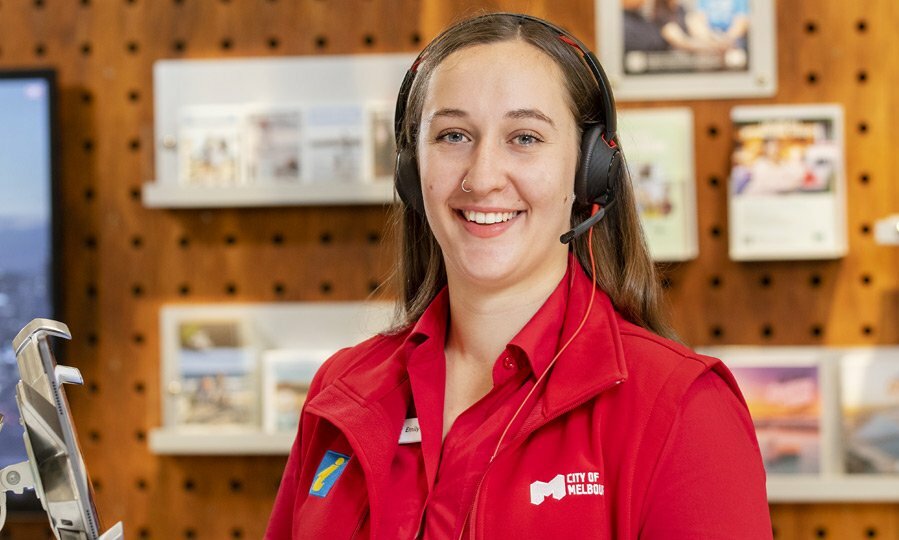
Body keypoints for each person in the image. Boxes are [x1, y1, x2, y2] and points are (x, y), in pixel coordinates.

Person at [266, 12, 772, 539]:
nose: (483, 177)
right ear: (411, 171)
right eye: (454, 135)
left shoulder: (681, 409)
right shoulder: (342, 390)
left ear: (588, 172)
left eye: (525, 137)